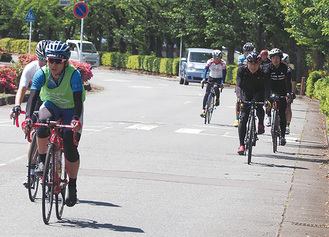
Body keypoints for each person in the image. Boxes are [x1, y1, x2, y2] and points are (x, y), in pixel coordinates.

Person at [22, 40, 85, 207]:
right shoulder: (41, 73)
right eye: (51, 60)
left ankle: (72, 185)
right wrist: (28, 118)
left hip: (71, 108)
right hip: (51, 105)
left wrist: (76, 119)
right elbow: (33, 97)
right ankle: (42, 160)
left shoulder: (74, 74)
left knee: (69, 143)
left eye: (58, 61)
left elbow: (78, 100)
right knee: (41, 125)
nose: (54, 64)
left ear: (65, 62)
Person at [9, 40, 50, 187]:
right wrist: (17, 106)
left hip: (51, 99)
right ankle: (31, 170)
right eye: (41, 60)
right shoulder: (31, 68)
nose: (44, 63)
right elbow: (22, 88)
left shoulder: (54, 69)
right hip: (37, 99)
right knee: (33, 134)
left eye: (47, 60)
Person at [236, 51, 269, 155]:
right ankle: (241, 144)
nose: (253, 66)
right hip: (246, 92)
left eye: (256, 64)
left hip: (259, 91)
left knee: (259, 107)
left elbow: (267, 87)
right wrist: (238, 97)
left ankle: (260, 123)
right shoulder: (242, 70)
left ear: (259, 64)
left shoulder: (264, 71)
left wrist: (267, 99)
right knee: (243, 118)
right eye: (251, 64)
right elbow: (238, 85)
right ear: (247, 63)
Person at [265, 48, 291, 146]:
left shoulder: (285, 68)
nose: (275, 60)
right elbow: (266, 84)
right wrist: (266, 96)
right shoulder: (267, 68)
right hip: (271, 89)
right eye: (273, 58)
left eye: (277, 58)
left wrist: (289, 93)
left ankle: (283, 136)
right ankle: (268, 115)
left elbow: (288, 82)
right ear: (270, 59)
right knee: (268, 102)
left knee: (282, 113)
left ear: (280, 59)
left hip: (282, 91)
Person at [200, 50, 227, 117]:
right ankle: (203, 109)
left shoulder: (223, 63)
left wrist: (223, 82)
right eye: (215, 58)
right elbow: (205, 70)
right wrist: (203, 79)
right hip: (211, 77)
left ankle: (217, 98)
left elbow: (224, 73)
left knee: (215, 87)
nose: (216, 59)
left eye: (218, 58)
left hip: (219, 78)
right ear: (213, 57)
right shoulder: (210, 61)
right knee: (207, 93)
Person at [235, 42, 255, 127]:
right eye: (246, 52)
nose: (247, 54)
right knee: (238, 100)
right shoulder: (241, 58)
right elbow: (240, 69)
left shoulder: (255, 57)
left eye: (249, 52)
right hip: (243, 79)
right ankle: (236, 119)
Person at [282, 53, 295, 134]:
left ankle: (287, 125)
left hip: (287, 89)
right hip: (278, 89)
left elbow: (293, 81)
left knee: (288, 106)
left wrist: (292, 92)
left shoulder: (291, 69)